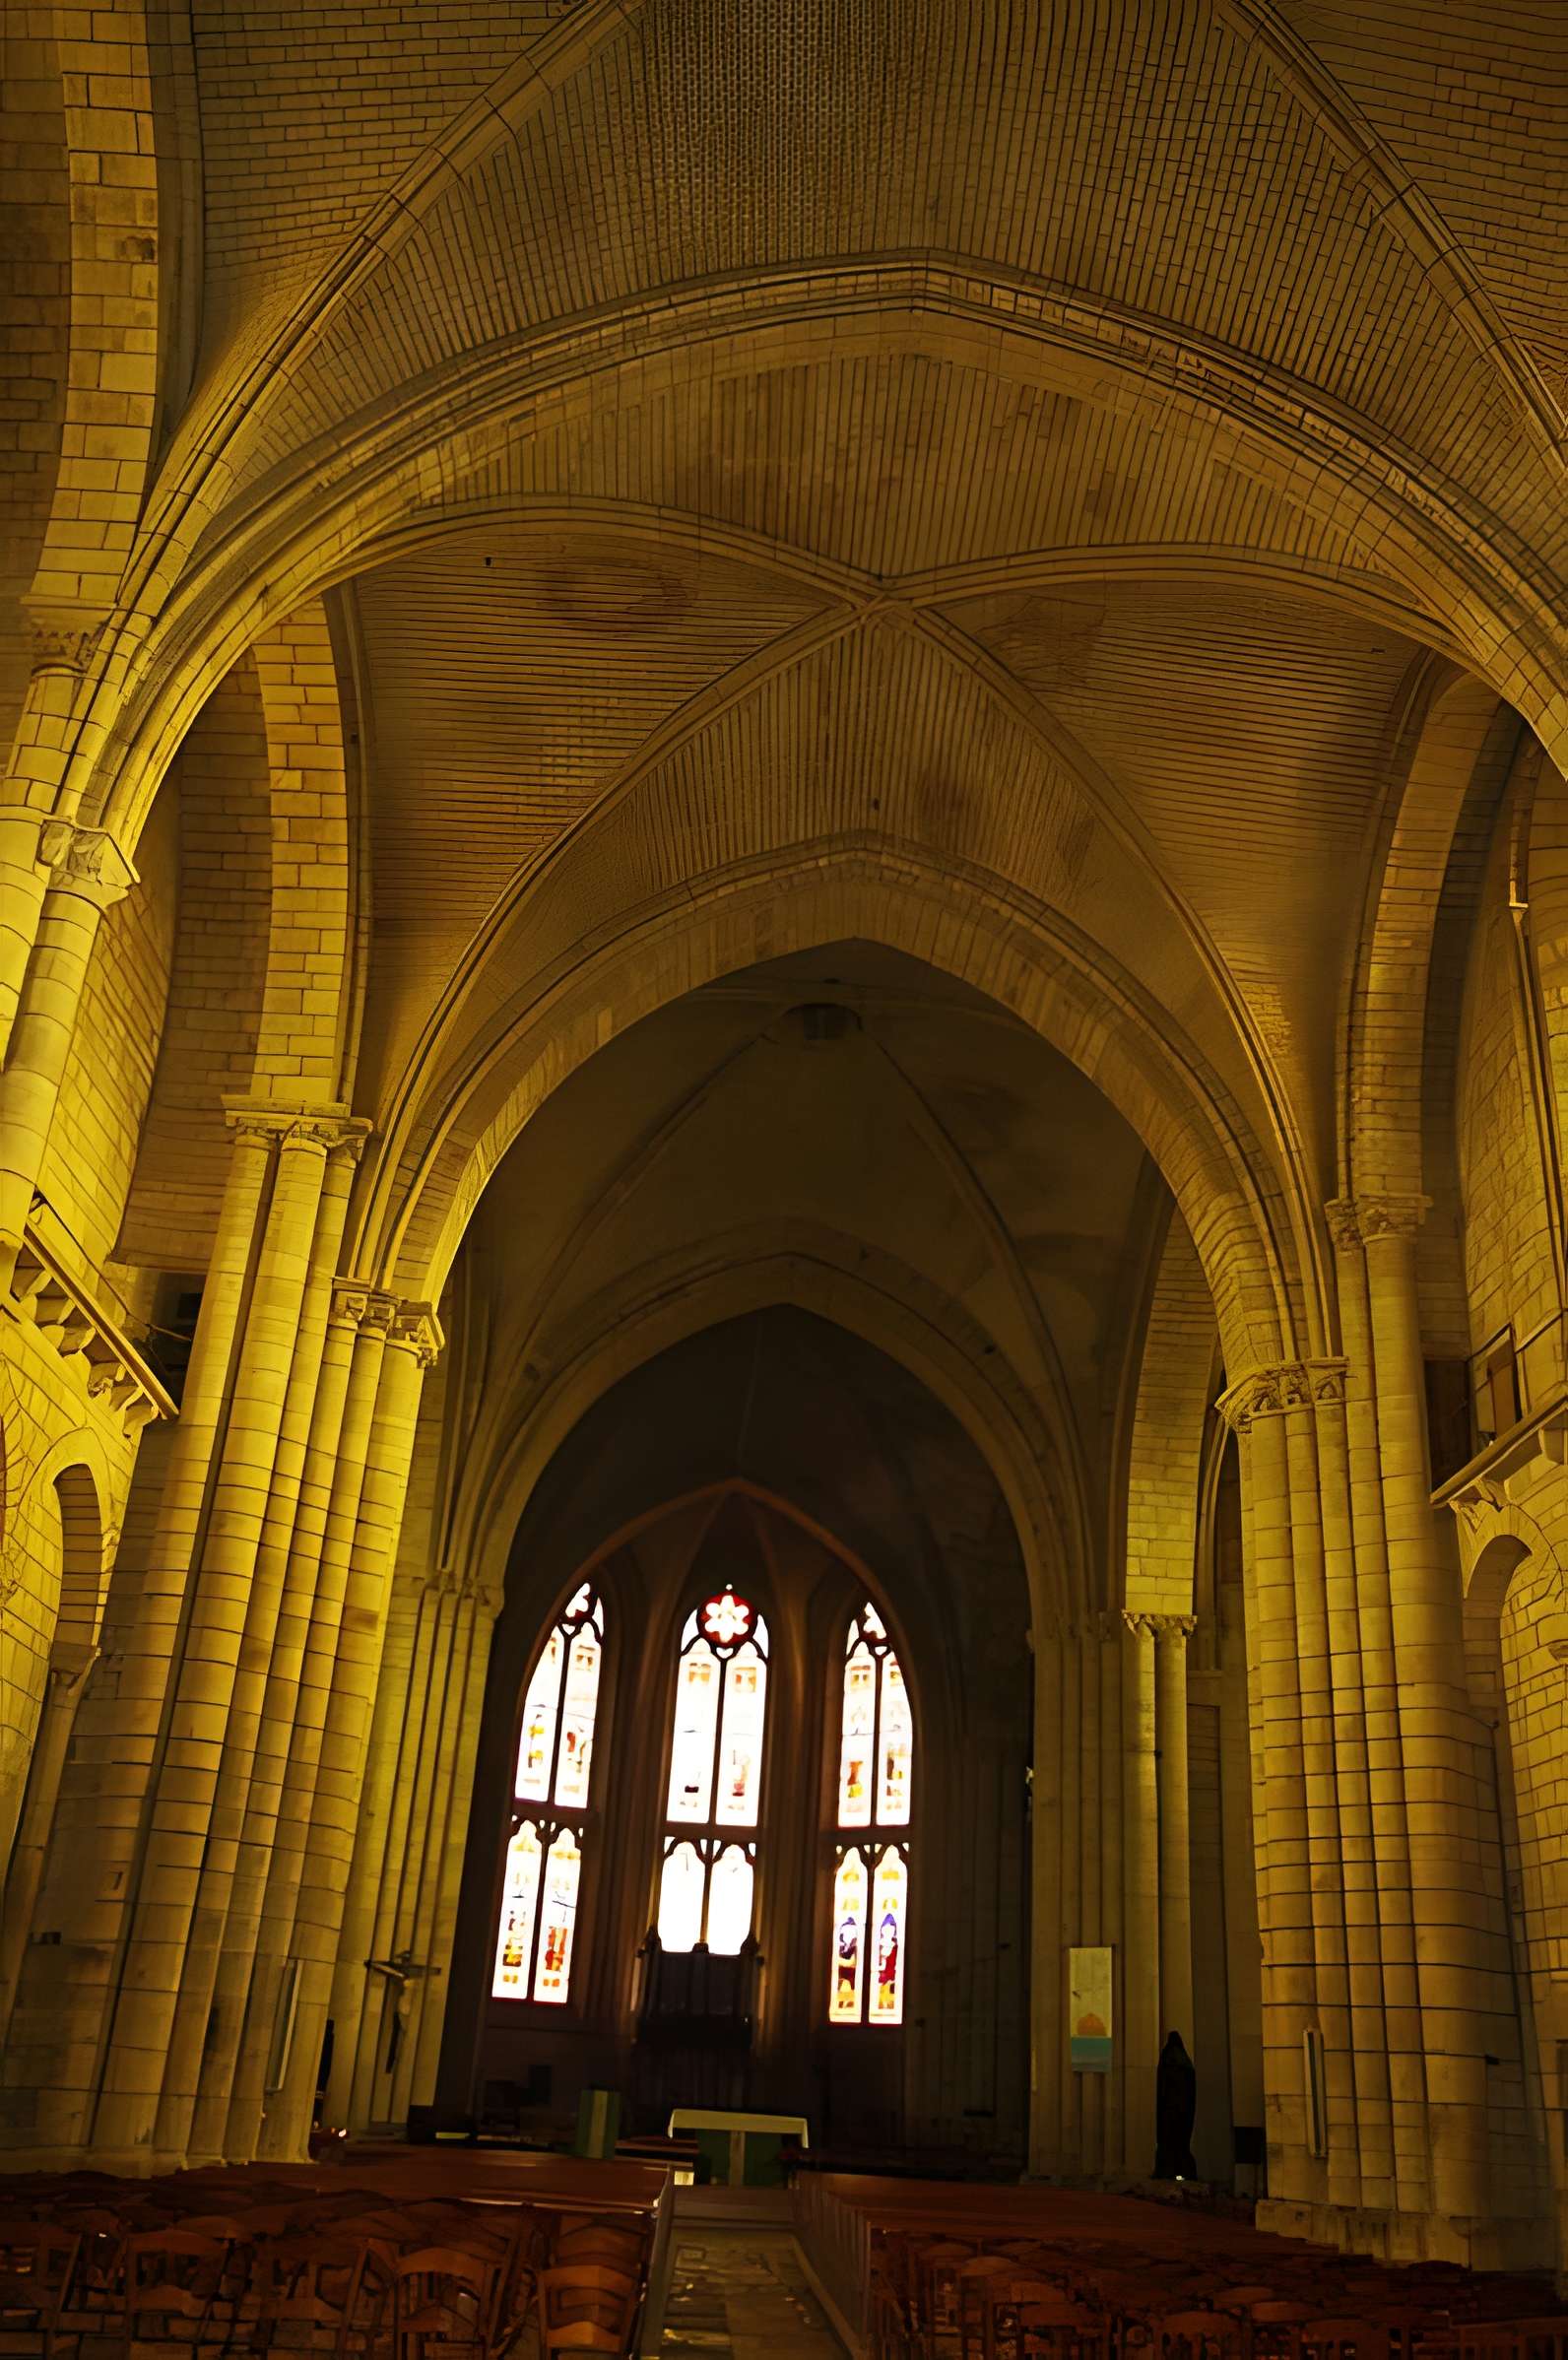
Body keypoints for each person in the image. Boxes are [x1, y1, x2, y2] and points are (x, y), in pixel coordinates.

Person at [1154, 2029, 1199, 2179]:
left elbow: (1162, 2086)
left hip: (1169, 2109)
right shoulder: (1186, 2063)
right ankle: (1182, 2173)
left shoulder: (1167, 2058)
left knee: (1168, 2141)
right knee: (1181, 2142)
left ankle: (1168, 2172)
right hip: (1184, 2111)